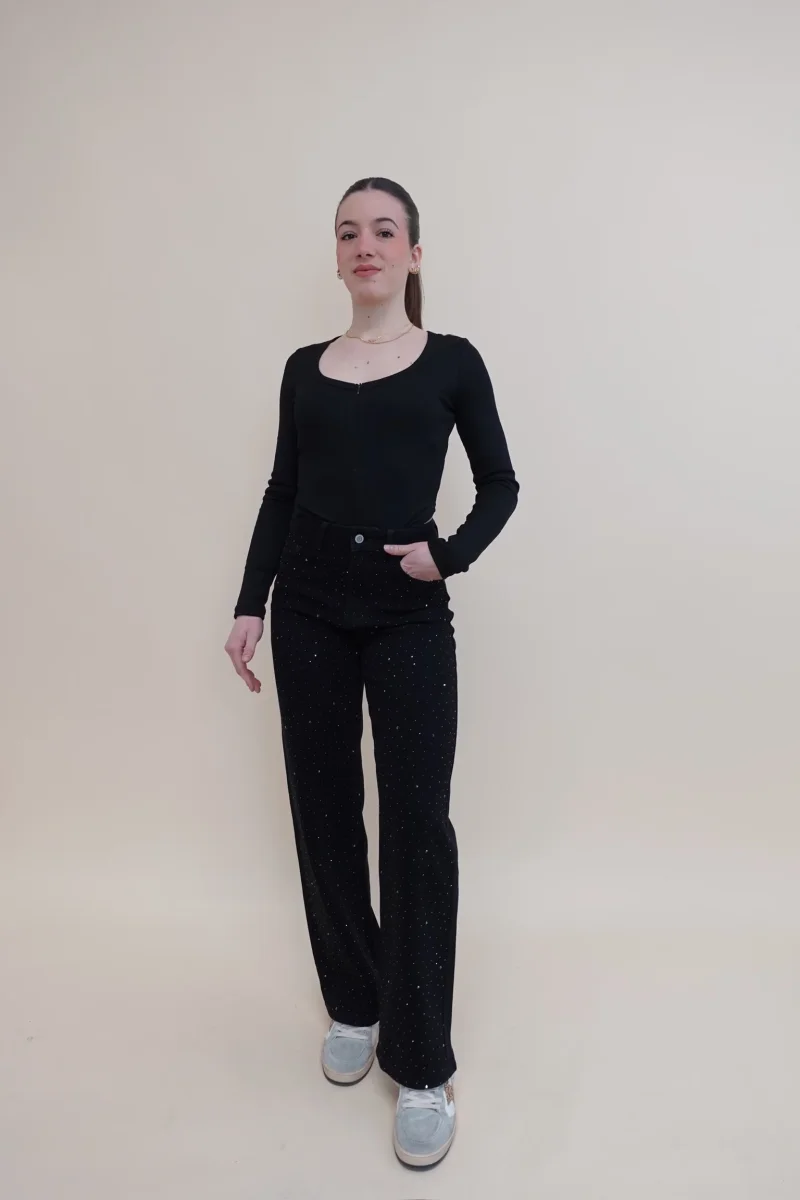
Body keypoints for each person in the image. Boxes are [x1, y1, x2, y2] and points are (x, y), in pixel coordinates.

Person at [224, 176, 518, 1169]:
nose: (366, 246)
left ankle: (421, 1059)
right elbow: (282, 488)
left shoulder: (453, 362)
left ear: (413, 254)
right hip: (307, 602)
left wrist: (448, 555)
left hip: (405, 609)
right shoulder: (302, 370)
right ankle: (354, 1001)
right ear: (337, 255)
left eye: (384, 231)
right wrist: (250, 602)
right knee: (321, 808)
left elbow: (500, 484)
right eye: (349, 232)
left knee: (417, 826)